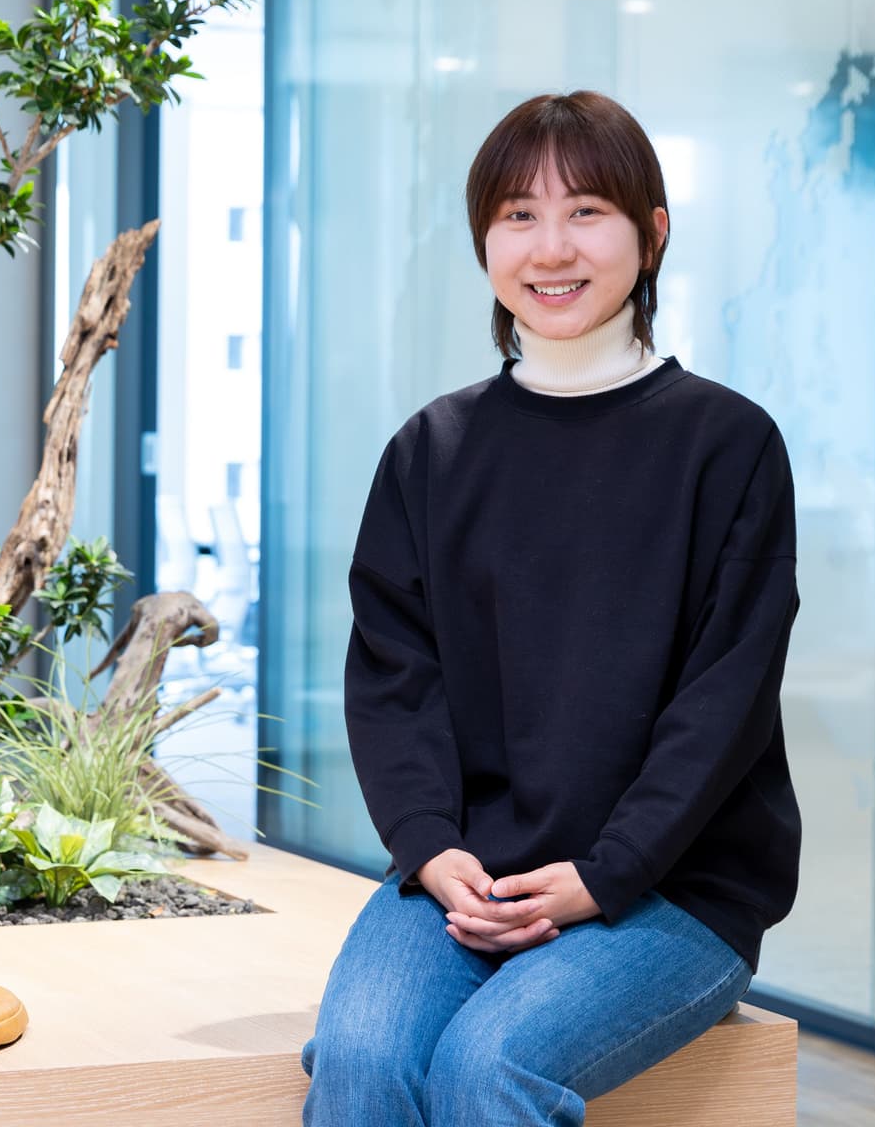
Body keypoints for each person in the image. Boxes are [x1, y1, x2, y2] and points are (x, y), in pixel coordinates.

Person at [299, 90, 803, 1126]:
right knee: (357, 1057)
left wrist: (603, 873)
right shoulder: (431, 451)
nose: (551, 246)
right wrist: (433, 848)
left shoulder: (727, 444)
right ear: (485, 239)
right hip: (464, 872)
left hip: (674, 888)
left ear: (652, 232)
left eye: (587, 211)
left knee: (489, 1066)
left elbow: (726, 697)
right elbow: (396, 677)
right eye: (519, 215)